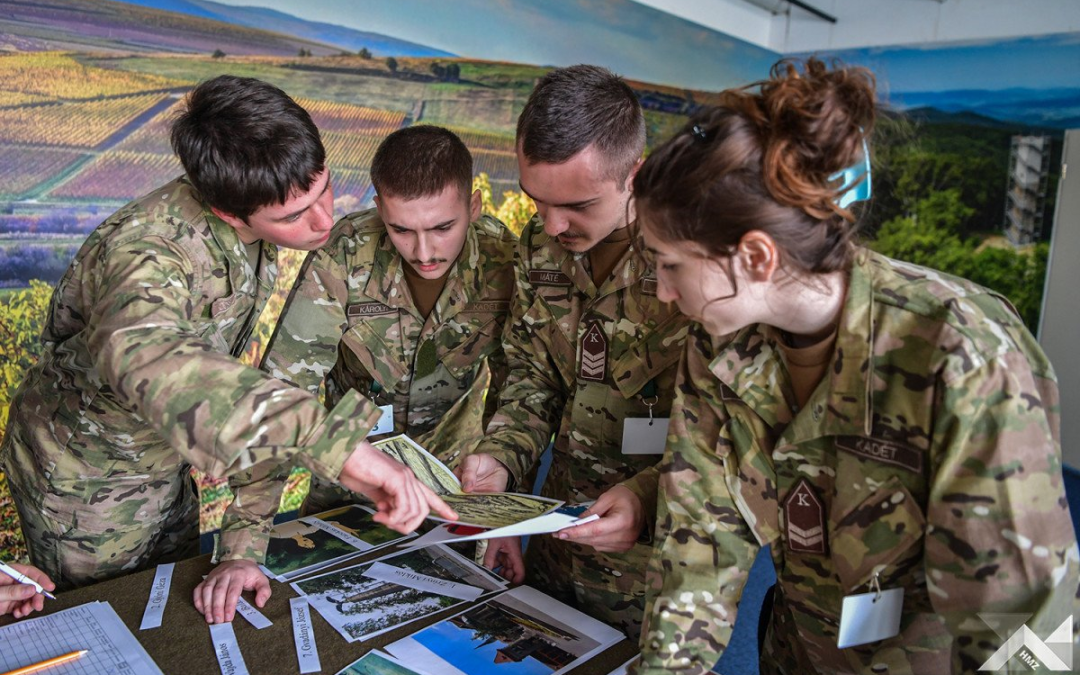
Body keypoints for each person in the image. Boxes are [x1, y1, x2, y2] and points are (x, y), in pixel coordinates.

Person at [630, 58, 1080, 674]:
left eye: (670, 263)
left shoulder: (961, 354)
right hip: (794, 650)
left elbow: (1023, 625)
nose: (660, 291)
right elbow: (698, 544)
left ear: (755, 257)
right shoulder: (721, 343)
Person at [0, 75, 454, 593]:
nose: (324, 220)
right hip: (90, 481)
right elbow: (145, 356)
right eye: (294, 215)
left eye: (324, 187)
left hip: (169, 462)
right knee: (109, 617)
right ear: (225, 211)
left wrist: (242, 546)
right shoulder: (150, 250)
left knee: (168, 604)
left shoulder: (253, 204)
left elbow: (245, 389)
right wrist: (332, 443)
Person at [193, 124, 516, 624]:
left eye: (443, 228)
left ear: (473, 207)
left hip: (455, 488)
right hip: (350, 479)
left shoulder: (503, 260)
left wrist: (502, 509)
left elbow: (517, 387)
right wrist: (242, 546)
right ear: (380, 208)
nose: (424, 251)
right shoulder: (344, 256)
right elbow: (284, 391)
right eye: (401, 229)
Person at [459, 64, 690, 639]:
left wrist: (649, 500)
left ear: (634, 175)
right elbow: (533, 375)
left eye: (577, 206)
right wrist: (501, 465)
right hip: (555, 534)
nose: (551, 223)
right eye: (535, 200)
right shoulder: (540, 247)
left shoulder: (694, 259)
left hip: (663, 566)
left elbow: (730, 435)